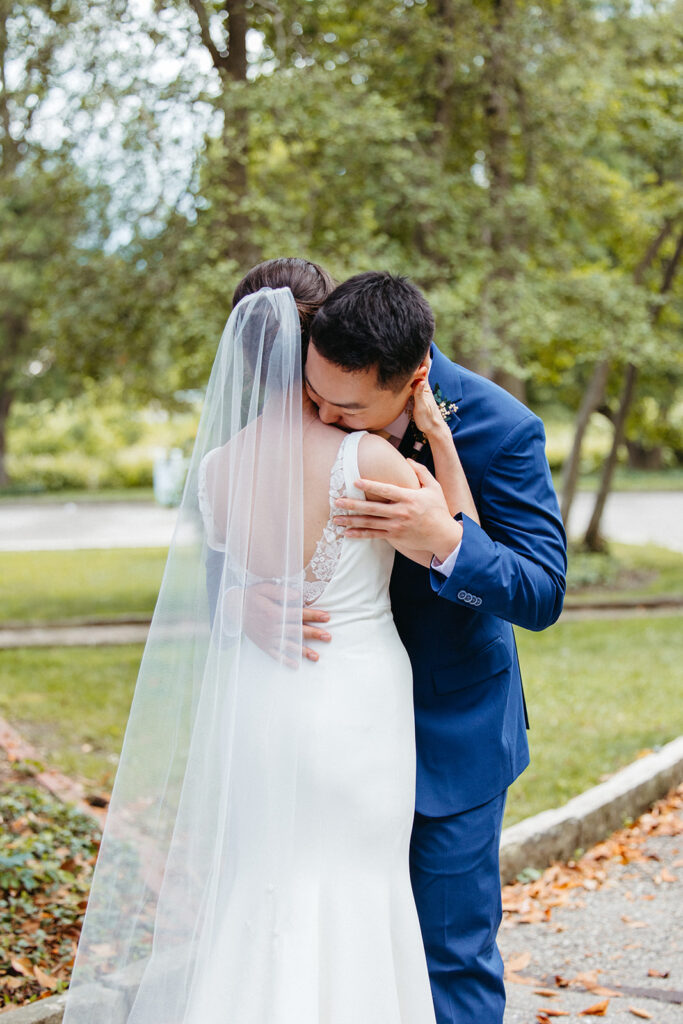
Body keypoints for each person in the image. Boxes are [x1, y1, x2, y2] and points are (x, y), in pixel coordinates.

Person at [61, 258, 478, 1024]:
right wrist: (438, 444)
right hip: (350, 709)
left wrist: (236, 608)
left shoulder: (217, 471)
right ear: (317, 341)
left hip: (259, 705)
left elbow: (220, 585)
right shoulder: (368, 460)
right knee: (352, 891)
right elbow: (462, 542)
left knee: (262, 891)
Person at [303, 270, 568, 1024]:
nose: (318, 415)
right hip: (332, 731)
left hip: (446, 737)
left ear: (414, 377)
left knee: (448, 955)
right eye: (314, 393)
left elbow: (542, 591)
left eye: (344, 408)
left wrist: (447, 542)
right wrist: (248, 596)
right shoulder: (311, 393)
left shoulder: (500, 427)